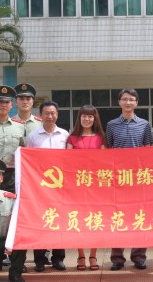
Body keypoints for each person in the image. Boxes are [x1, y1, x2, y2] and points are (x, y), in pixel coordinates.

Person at [106, 88, 153, 271]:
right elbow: (109, 149)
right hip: (118, 180)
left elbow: (149, 148)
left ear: (136, 103)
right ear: (119, 102)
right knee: (117, 217)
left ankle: (139, 256)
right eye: (124, 99)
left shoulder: (144, 124)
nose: (128, 103)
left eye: (131, 99)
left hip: (139, 179)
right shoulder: (111, 125)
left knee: (139, 217)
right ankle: (117, 258)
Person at [25, 100, 69, 272]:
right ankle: (39, 259)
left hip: (60, 188)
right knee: (40, 222)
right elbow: (29, 162)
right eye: (46, 113)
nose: (50, 116)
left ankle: (58, 258)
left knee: (59, 222)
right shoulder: (33, 136)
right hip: (40, 188)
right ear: (41, 115)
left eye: (53, 113)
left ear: (57, 115)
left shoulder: (64, 135)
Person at [66, 105, 106, 271]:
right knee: (79, 220)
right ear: (79, 118)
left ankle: (93, 255)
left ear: (95, 118)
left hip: (96, 187)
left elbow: (104, 163)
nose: (87, 119)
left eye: (90, 116)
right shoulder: (72, 138)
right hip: (77, 186)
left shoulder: (101, 138)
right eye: (84, 116)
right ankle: (81, 254)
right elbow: (66, 162)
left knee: (95, 220)